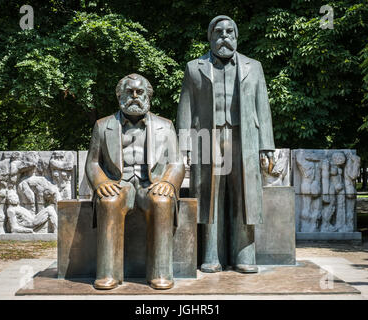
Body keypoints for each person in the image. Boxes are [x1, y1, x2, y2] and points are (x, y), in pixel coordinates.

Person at [177, 15, 275, 273]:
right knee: (209, 197)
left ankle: (244, 255)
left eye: (229, 32)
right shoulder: (193, 67)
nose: (224, 36)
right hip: (206, 138)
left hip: (244, 137)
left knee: (245, 197)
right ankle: (211, 256)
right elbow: (185, 107)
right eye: (218, 32)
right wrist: (183, 145)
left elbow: (262, 108)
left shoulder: (254, 67)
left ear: (236, 36)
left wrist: (267, 146)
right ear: (210, 37)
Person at [85, 73, 184, 290]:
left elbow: (176, 163)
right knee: (109, 202)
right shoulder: (103, 126)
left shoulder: (165, 126)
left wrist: (168, 183)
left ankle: (160, 273)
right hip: (118, 183)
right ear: (119, 95)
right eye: (129, 92)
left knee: (162, 202)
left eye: (140, 92)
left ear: (148, 96)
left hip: (151, 183)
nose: (135, 96)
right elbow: (93, 163)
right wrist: (101, 183)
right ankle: (108, 273)